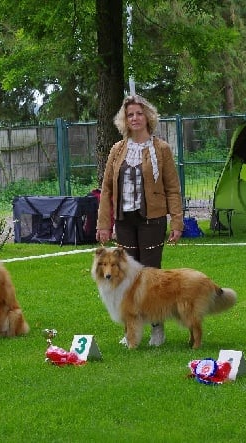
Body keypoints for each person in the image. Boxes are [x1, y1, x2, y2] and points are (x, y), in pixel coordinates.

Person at [96, 94, 184, 346]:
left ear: (148, 117)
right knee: (125, 278)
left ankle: (157, 328)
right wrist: (104, 224)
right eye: (130, 114)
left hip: (152, 221)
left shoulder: (162, 149)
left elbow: (172, 189)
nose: (134, 118)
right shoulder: (117, 150)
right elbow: (107, 190)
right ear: (125, 120)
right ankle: (131, 330)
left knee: (152, 277)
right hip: (125, 222)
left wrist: (176, 222)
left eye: (139, 113)